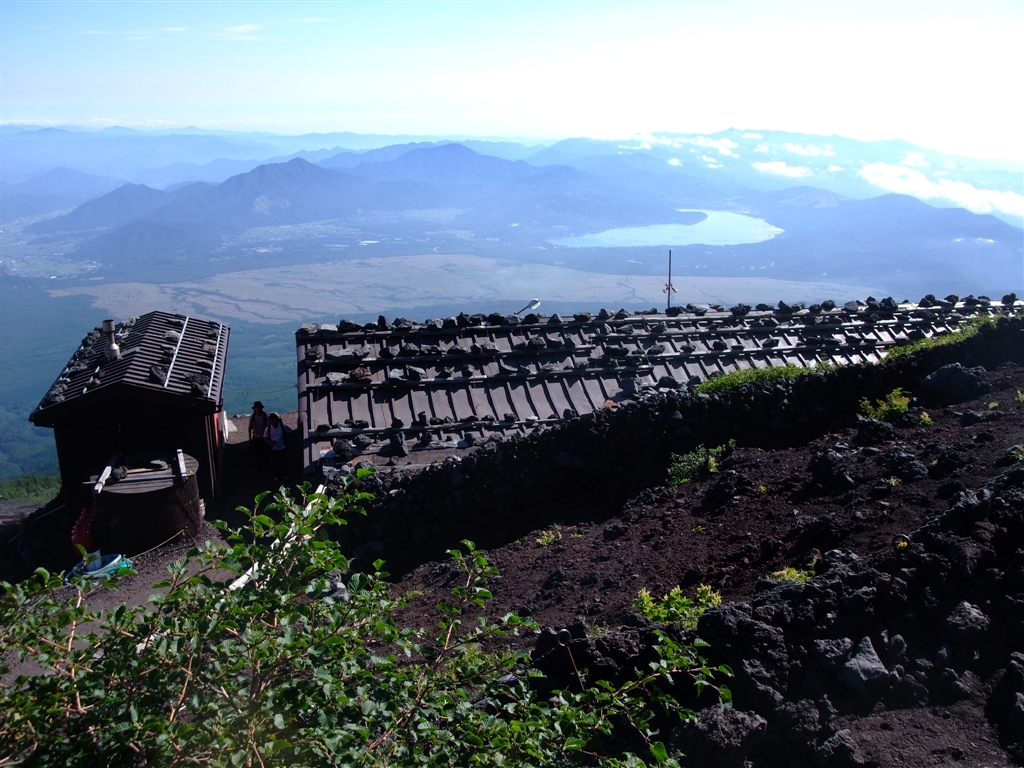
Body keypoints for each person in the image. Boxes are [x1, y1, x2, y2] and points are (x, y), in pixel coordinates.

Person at [263, 412, 293, 480]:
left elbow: (290, 432)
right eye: (272, 421)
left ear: (277, 420)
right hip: (274, 449)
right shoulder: (268, 429)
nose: (273, 422)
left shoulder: (283, 426)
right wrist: (270, 443)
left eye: (274, 420)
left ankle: (285, 474)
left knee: (284, 462)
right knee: (275, 463)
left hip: (283, 447)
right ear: (270, 421)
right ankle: (276, 475)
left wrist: (288, 441)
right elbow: (265, 436)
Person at [248, 401, 269, 477]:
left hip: (264, 438)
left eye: (259, 408)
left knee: (265, 454)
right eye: (257, 408)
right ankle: (258, 470)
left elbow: (268, 427)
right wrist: (250, 438)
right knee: (257, 455)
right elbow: (250, 428)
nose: (258, 409)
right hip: (256, 438)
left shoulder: (265, 416)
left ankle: (266, 469)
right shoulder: (253, 417)